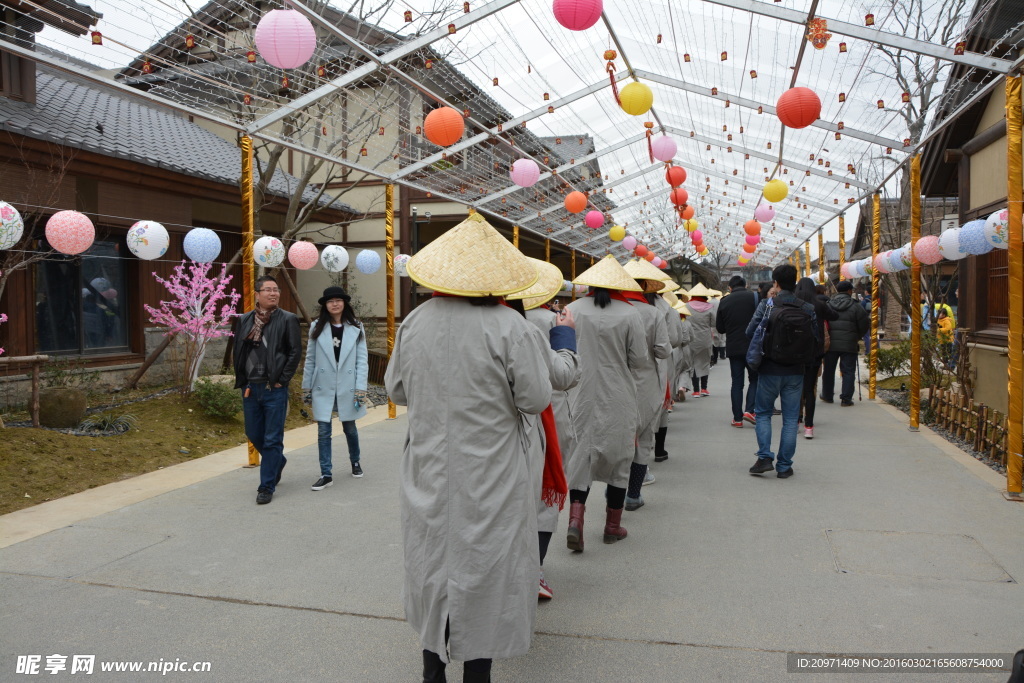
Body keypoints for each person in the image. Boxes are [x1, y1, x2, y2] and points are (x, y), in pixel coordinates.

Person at [384, 213, 554, 683]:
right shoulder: (509, 327)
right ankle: (477, 673)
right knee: (486, 568)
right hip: (490, 470)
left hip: (429, 467)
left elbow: (395, 389)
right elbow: (536, 398)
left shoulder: (415, 321)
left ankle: (431, 669)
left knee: (431, 562)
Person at [507, 257, 581, 601]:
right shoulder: (539, 324)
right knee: (541, 498)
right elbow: (561, 378)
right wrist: (565, 335)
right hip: (536, 422)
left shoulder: (422, 322)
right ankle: (534, 569)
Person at [564, 256, 648, 550]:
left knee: (580, 456)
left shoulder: (571, 309)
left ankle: (576, 519)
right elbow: (639, 360)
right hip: (618, 393)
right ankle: (612, 526)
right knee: (620, 456)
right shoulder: (629, 313)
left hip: (579, 393)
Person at [233, 275, 302, 505]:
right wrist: (242, 381)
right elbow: (238, 351)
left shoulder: (288, 319)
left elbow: (294, 352)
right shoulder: (244, 319)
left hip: (274, 388)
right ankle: (277, 462)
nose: (274, 293)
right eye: (268, 290)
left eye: (276, 290)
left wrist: (282, 379)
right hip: (251, 387)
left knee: (272, 438)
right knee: (253, 433)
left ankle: (266, 486)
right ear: (258, 294)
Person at [746, 264, 817, 479]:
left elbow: (750, 331)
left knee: (765, 414)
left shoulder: (768, 305)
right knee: (790, 418)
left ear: (775, 282)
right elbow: (814, 340)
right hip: (796, 370)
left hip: (769, 368)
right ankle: (784, 466)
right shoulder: (807, 308)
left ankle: (765, 457)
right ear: (794, 281)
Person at [302, 285, 369, 490]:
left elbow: (361, 360)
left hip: (348, 385)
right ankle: (326, 473)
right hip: (323, 384)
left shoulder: (356, 326)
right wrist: (306, 388)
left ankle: (355, 461)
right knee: (323, 430)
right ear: (325, 305)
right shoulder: (317, 327)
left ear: (344, 303)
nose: (335, 303)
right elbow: (310, 359)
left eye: (338, 300)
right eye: (330, 301)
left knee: (350, 427)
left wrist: (360, 389)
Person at [621, 260, 672, 511]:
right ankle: (633, 493)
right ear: (644, 286)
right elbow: (663, 350)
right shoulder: (653, 313)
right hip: (646, 384)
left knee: (619, 439)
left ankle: (612, 501)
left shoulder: (613, 310)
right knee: (643, 438)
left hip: (615, 384)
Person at [794, 277, 838, 439]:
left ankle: (796, 421)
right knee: (809, 389)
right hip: (814, 352)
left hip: (795, 353)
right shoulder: (818, 304)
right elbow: (834, 316)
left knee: (795, 388)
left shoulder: (792, 303)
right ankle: (809, 426)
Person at [715, 275, 759, 427]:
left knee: (737, 383)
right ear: (746, 285)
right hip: (753, 346)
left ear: (730, 287)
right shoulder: (754, 297)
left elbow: (720, 328)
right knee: (755, 379)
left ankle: (738, 418)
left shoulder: (724, 301)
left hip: (734, 347)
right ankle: (749, 410)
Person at [821, 280, 870, 407]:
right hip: (849, 344)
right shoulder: (856, 306)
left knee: (829, 370)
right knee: (848, 371)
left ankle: (827, 395)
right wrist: (856, 336)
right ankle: (846, 398)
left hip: (830, 344)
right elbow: (864, 324)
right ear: (849, 291)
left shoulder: (829, 304)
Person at [685, 283, 716, 397]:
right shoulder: (710, 308)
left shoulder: (686, 306)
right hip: (705, 339)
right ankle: (704, 388)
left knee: (693, 364)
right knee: (704, 363)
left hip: (691, 338)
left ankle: (696, 390)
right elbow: (714, 323)